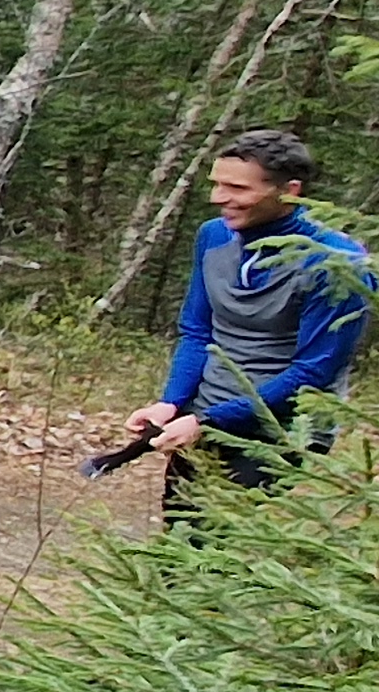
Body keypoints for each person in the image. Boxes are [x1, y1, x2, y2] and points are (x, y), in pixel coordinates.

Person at [118, 127, 372, 527]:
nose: (219, 198)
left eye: (237, 188)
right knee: (180, 533)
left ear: (290, 191)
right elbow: (198, 331)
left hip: (283, 427)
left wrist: (211, 421)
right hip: (202, 417)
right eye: (217, 184)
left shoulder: (335, 264)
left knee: (214, 539)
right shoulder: (214, 236)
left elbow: (313, 374)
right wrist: (171, 402)